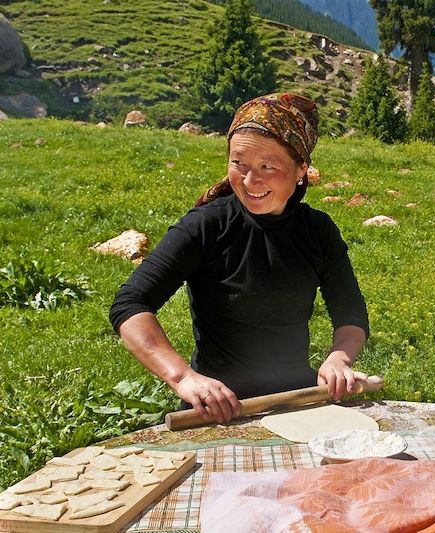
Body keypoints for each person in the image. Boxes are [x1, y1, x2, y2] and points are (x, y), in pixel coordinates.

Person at [110, 93, 369, 425]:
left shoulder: (317, 231)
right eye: (239, 163)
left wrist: (338, 360)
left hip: (297, 401)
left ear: (301, 167)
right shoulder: (207, 225)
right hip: (219, 408)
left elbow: (350, 312)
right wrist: (184, 378)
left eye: (267, 166)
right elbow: (130, 304)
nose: (249, 181)